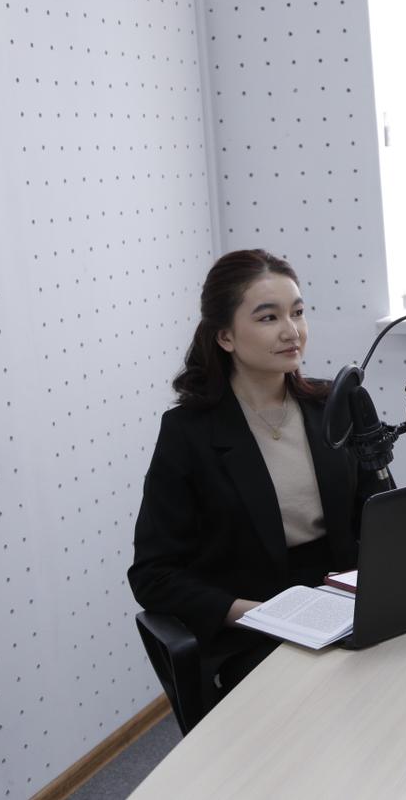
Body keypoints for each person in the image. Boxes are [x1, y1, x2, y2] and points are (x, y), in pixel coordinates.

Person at [129, 249, 373, 705]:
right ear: (225, 336)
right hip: (255, 626)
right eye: (268, 317)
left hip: (342, 602)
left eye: (297, 312)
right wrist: (256, 614)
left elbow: (378, 515)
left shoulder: (331, 404)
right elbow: (153, 574)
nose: (291, 331)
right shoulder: (189, 432)